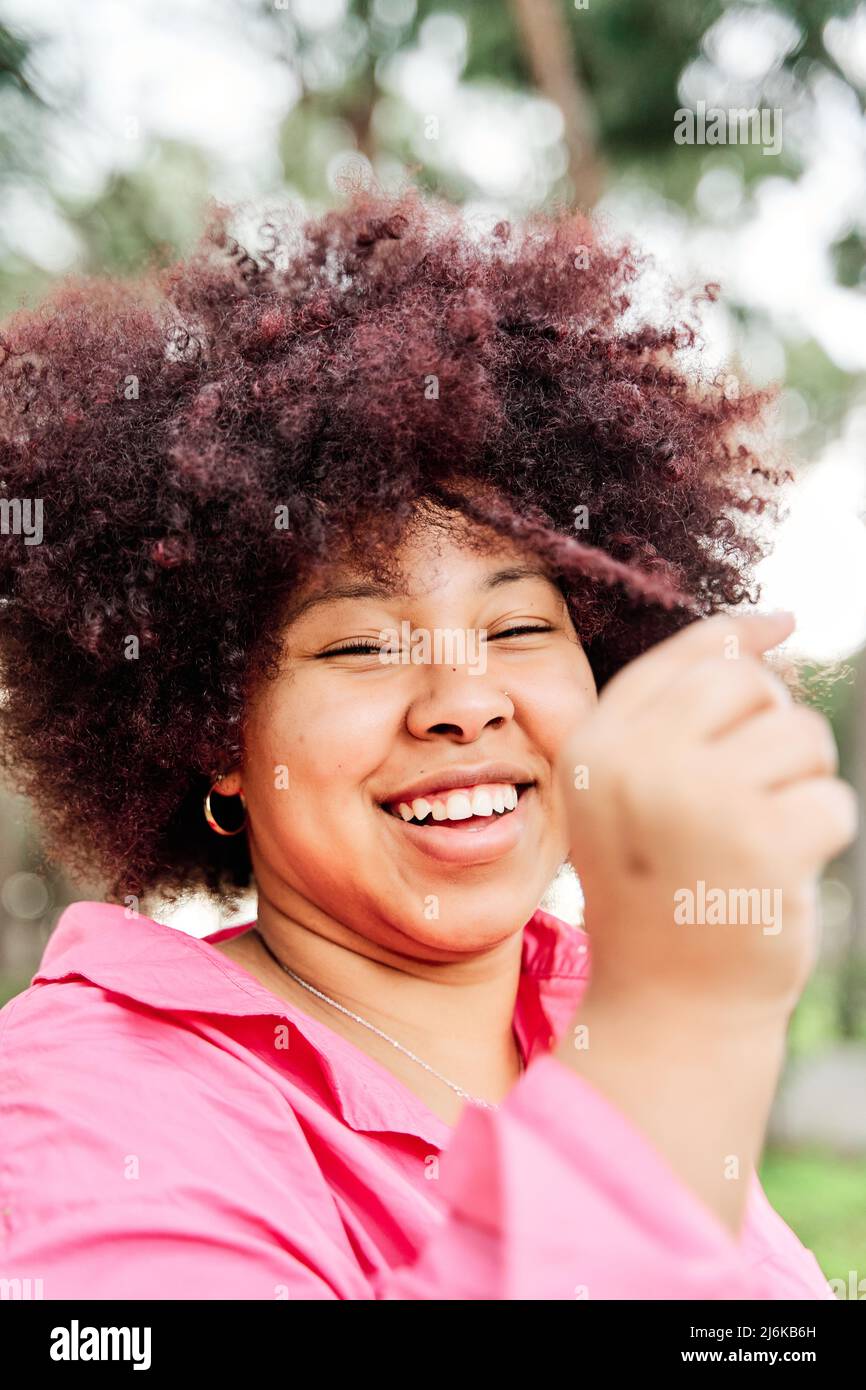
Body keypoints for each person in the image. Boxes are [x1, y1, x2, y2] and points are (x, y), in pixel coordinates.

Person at [0, 187, 854, 1299]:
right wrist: (682, 1022)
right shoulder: (85, 1100)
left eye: (516, 627)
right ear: (213, 730)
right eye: (357, 646)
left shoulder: (582, 1010)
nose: (464, 699)